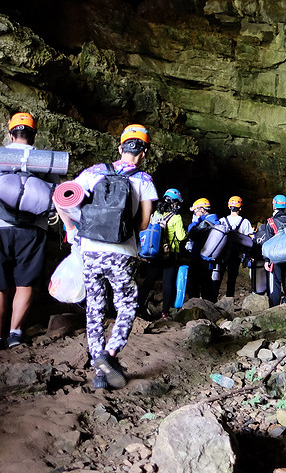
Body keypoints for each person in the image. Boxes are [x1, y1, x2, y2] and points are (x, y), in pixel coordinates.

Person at [58, 124, 157, 390]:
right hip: (122, 252)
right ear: (144, 152)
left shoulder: (94, 172)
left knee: (95, 307)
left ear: (120, 148)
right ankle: (108, 355)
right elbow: (146, 223)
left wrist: (71, 229)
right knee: (126, 304)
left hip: (90, 249)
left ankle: (99, 372)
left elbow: (63, 200)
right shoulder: (144, 180)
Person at [0, 112, 59, 351]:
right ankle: (16, 333)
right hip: (32, 230)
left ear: (10, 133)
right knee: (25, 283)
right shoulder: (44, 159)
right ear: (34, 135)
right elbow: (57, 193)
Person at [136, 188, 186, 319]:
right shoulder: (176, 217)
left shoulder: (156, 214)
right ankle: (165, 312)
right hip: (170, 254)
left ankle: (138, 307)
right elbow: (181, 237)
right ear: (174, 203)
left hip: (155, 252)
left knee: (149, 281)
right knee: (168, 282)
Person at [216, 195, 254, 299]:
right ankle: (229, 299)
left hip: (222, 253)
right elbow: (249, 240)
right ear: (240, 208)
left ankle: (213, 299)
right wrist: (247, 256)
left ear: (229, 207)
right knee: (232, 279)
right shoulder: (245, 222)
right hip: (236, 254)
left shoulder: (222, 220)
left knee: (218, 276)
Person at [185, 197, 219, 301]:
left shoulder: (206, 222)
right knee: (207, 283)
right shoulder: (214, 220)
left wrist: (194, 223)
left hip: (200, 257)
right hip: (208, 258)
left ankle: (195, 306)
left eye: (195, 210)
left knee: (195, 283)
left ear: (202, 209)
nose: (194, 213)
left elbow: (192, 234)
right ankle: (209, 306)